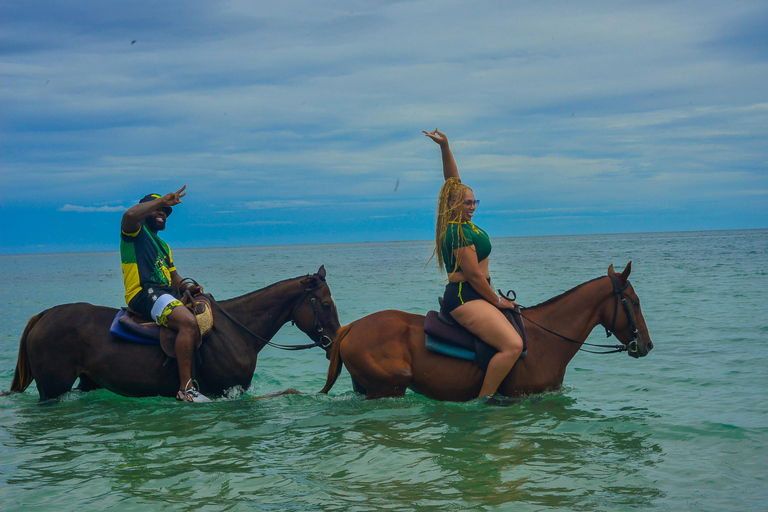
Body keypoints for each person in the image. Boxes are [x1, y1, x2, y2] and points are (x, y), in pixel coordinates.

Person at [424, 129, 524, 398]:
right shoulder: (456, 231)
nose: (472, 207)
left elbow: (452, 180)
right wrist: (498, 301)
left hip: (478, 293)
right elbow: (474, 276)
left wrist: (445, 146)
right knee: (513, 345)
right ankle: (485, 401)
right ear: (453, 204)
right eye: (467, 203)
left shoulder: (466, 226)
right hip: (465, 297)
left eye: (474, 202)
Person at [120, 185, 210, 403]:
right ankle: (185, 390)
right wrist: (162, 201)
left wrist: (189, 289)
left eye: (166, 213)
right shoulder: (135, 231)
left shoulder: (163, 246)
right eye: (157, 210)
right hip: (144, 292)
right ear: (144, 211)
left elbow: (175, 279)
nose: (163, 214)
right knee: (188, 322)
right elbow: (129, 215)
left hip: (164, 293)